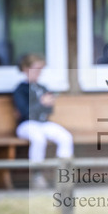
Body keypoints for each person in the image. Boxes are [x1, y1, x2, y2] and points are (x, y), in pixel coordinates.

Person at [13, 54, 74, 189]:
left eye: (40, 69)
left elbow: (48, 111)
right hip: (26, 124)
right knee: (38, 139)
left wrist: (48, 103)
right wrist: (41, 103)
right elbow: (25, 112)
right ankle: (37, 175)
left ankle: (64, 175)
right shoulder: (20, 89)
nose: (39, 72)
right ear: (26, 69)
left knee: (65, 137)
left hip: (43, 123)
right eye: (36, 69)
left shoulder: (42, 88)